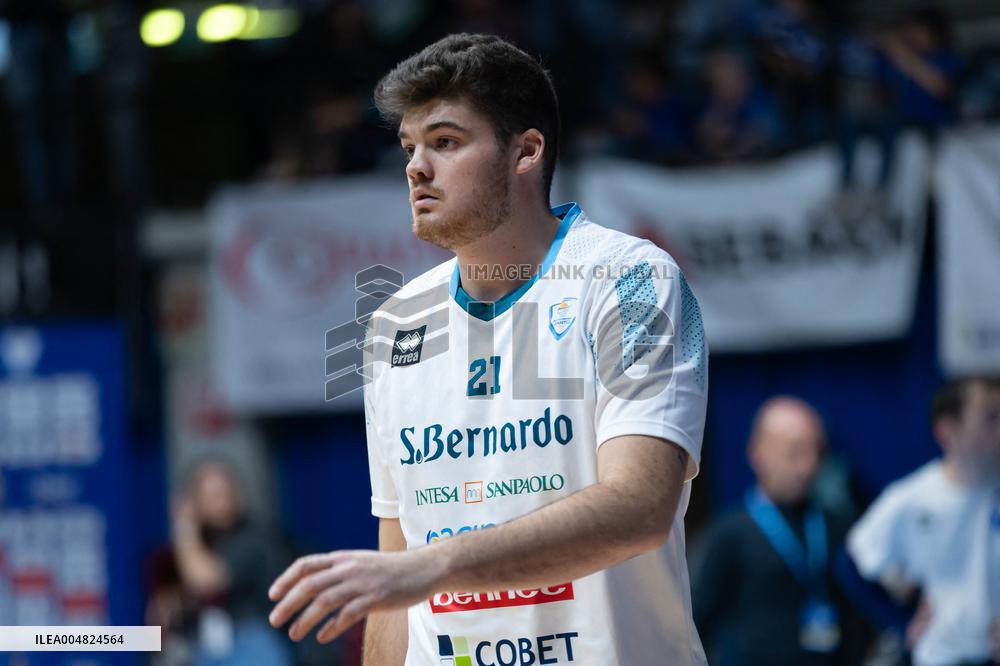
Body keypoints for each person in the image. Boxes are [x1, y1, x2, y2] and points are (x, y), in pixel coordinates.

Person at [267, 33, 710, 665]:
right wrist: (416, 573)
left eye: (445, 142)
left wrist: (437, 566)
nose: (417, 167)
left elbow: (640, 507)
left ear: (526, 151)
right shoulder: (395, 323)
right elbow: (396, 559)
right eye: (409, 147)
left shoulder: (631, 278)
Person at [692, 396, 864, 666]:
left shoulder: (835, 526)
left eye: (816, 452)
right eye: (794, 452)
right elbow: (698, 620)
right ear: (756, 453)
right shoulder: (730, 534)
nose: (808, 466)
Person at [847, 376, 1000, 666]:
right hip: (937, 657)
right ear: (947, 430)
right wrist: (898, 621)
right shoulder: (912, 498)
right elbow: (851, 562)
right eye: (990, 418)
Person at [164, 456, 292, 666]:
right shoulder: (205, 542)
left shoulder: (253, 537)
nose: (223, 501)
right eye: (212, 496)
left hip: (254, 646)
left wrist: (184, 524)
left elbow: (205, 581)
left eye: (226, 493)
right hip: (210, 645)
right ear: (195, 500)